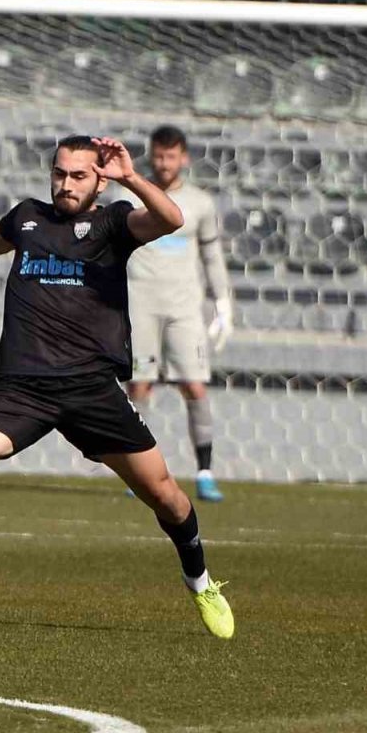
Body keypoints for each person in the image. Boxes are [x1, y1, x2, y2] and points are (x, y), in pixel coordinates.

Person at [0, 135, 234, 639]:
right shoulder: (27, 218)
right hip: (22, 390)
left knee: (167, 498)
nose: (65, 184)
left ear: (98, 180)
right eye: (59, 173)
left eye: (78, 175)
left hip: (91, 391)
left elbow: (171, 220)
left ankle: (201, 581)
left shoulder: (113, 222)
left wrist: (130, 177)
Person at [126, 125, 233, 503]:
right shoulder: (128, 196)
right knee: (139, 386)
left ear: (183, 158)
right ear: (150, 155)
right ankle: (136, 472)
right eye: (158, 156)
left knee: (194, 385)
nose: (164, 163)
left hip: (185, 308)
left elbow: (212, 256)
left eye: (171, 156)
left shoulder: (200, 203)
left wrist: (222, 303)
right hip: (139, 304)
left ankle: (204, 473)